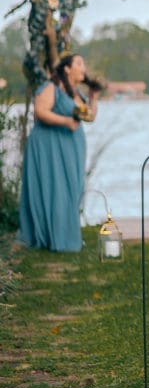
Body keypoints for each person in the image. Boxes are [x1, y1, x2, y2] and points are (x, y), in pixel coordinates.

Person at [18, 53, 99, 252]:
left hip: (70, 146)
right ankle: (48, 237)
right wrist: (65, 122)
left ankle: (64, 234)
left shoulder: (76, 93)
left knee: (73, 186)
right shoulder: (50, 88)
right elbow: (40, 111)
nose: (83, 68)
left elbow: (89, 117)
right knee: (51, 185)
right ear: (67, 69)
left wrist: (93, 98)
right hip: (48, 145)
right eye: (79, 63)